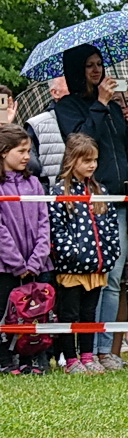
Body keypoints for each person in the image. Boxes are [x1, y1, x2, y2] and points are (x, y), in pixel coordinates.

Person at [54, 46, 128, 365]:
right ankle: (83, 351)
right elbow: (78, 144)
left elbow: (127, 151)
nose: (96, 71)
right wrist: (101, 104)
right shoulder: (68, 105)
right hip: (86, 198)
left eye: (100, 65)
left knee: (115, 276)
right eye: (89, 66)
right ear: (78, 70)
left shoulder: (116, 107)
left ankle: (105, 349)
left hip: (118, 197)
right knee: (90, 277)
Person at [48, 134, 123, 374]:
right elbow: (56, 228)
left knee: (89, 313)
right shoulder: (59, 191)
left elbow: (111, 224)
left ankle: (88, 356)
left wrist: (110, 253)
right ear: (72, 160)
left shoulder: (100, 190)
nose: (92, 165)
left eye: (95, 160)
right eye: (86, 160)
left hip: (96, 267)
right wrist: (72, 253)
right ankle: (71, 359)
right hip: (71, 269)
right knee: (70, 314)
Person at [0, 124, 51, 374]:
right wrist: (17, 263)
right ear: (3, 152)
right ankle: (5, 360)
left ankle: (32, 358)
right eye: (20, 151)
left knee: (35, 314)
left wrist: (36, 259)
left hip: (36, 264)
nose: (26, 156)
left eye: (28, 150)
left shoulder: (34, 184)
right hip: (6, 267)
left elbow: (44, 222)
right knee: (5, 314)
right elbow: (1, 232)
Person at [26, 76, 68, 182]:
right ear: (55, 92)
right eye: (68, 83)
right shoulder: (37, 125)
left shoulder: (91, 118)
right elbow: (31, 167)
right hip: (51, 194)